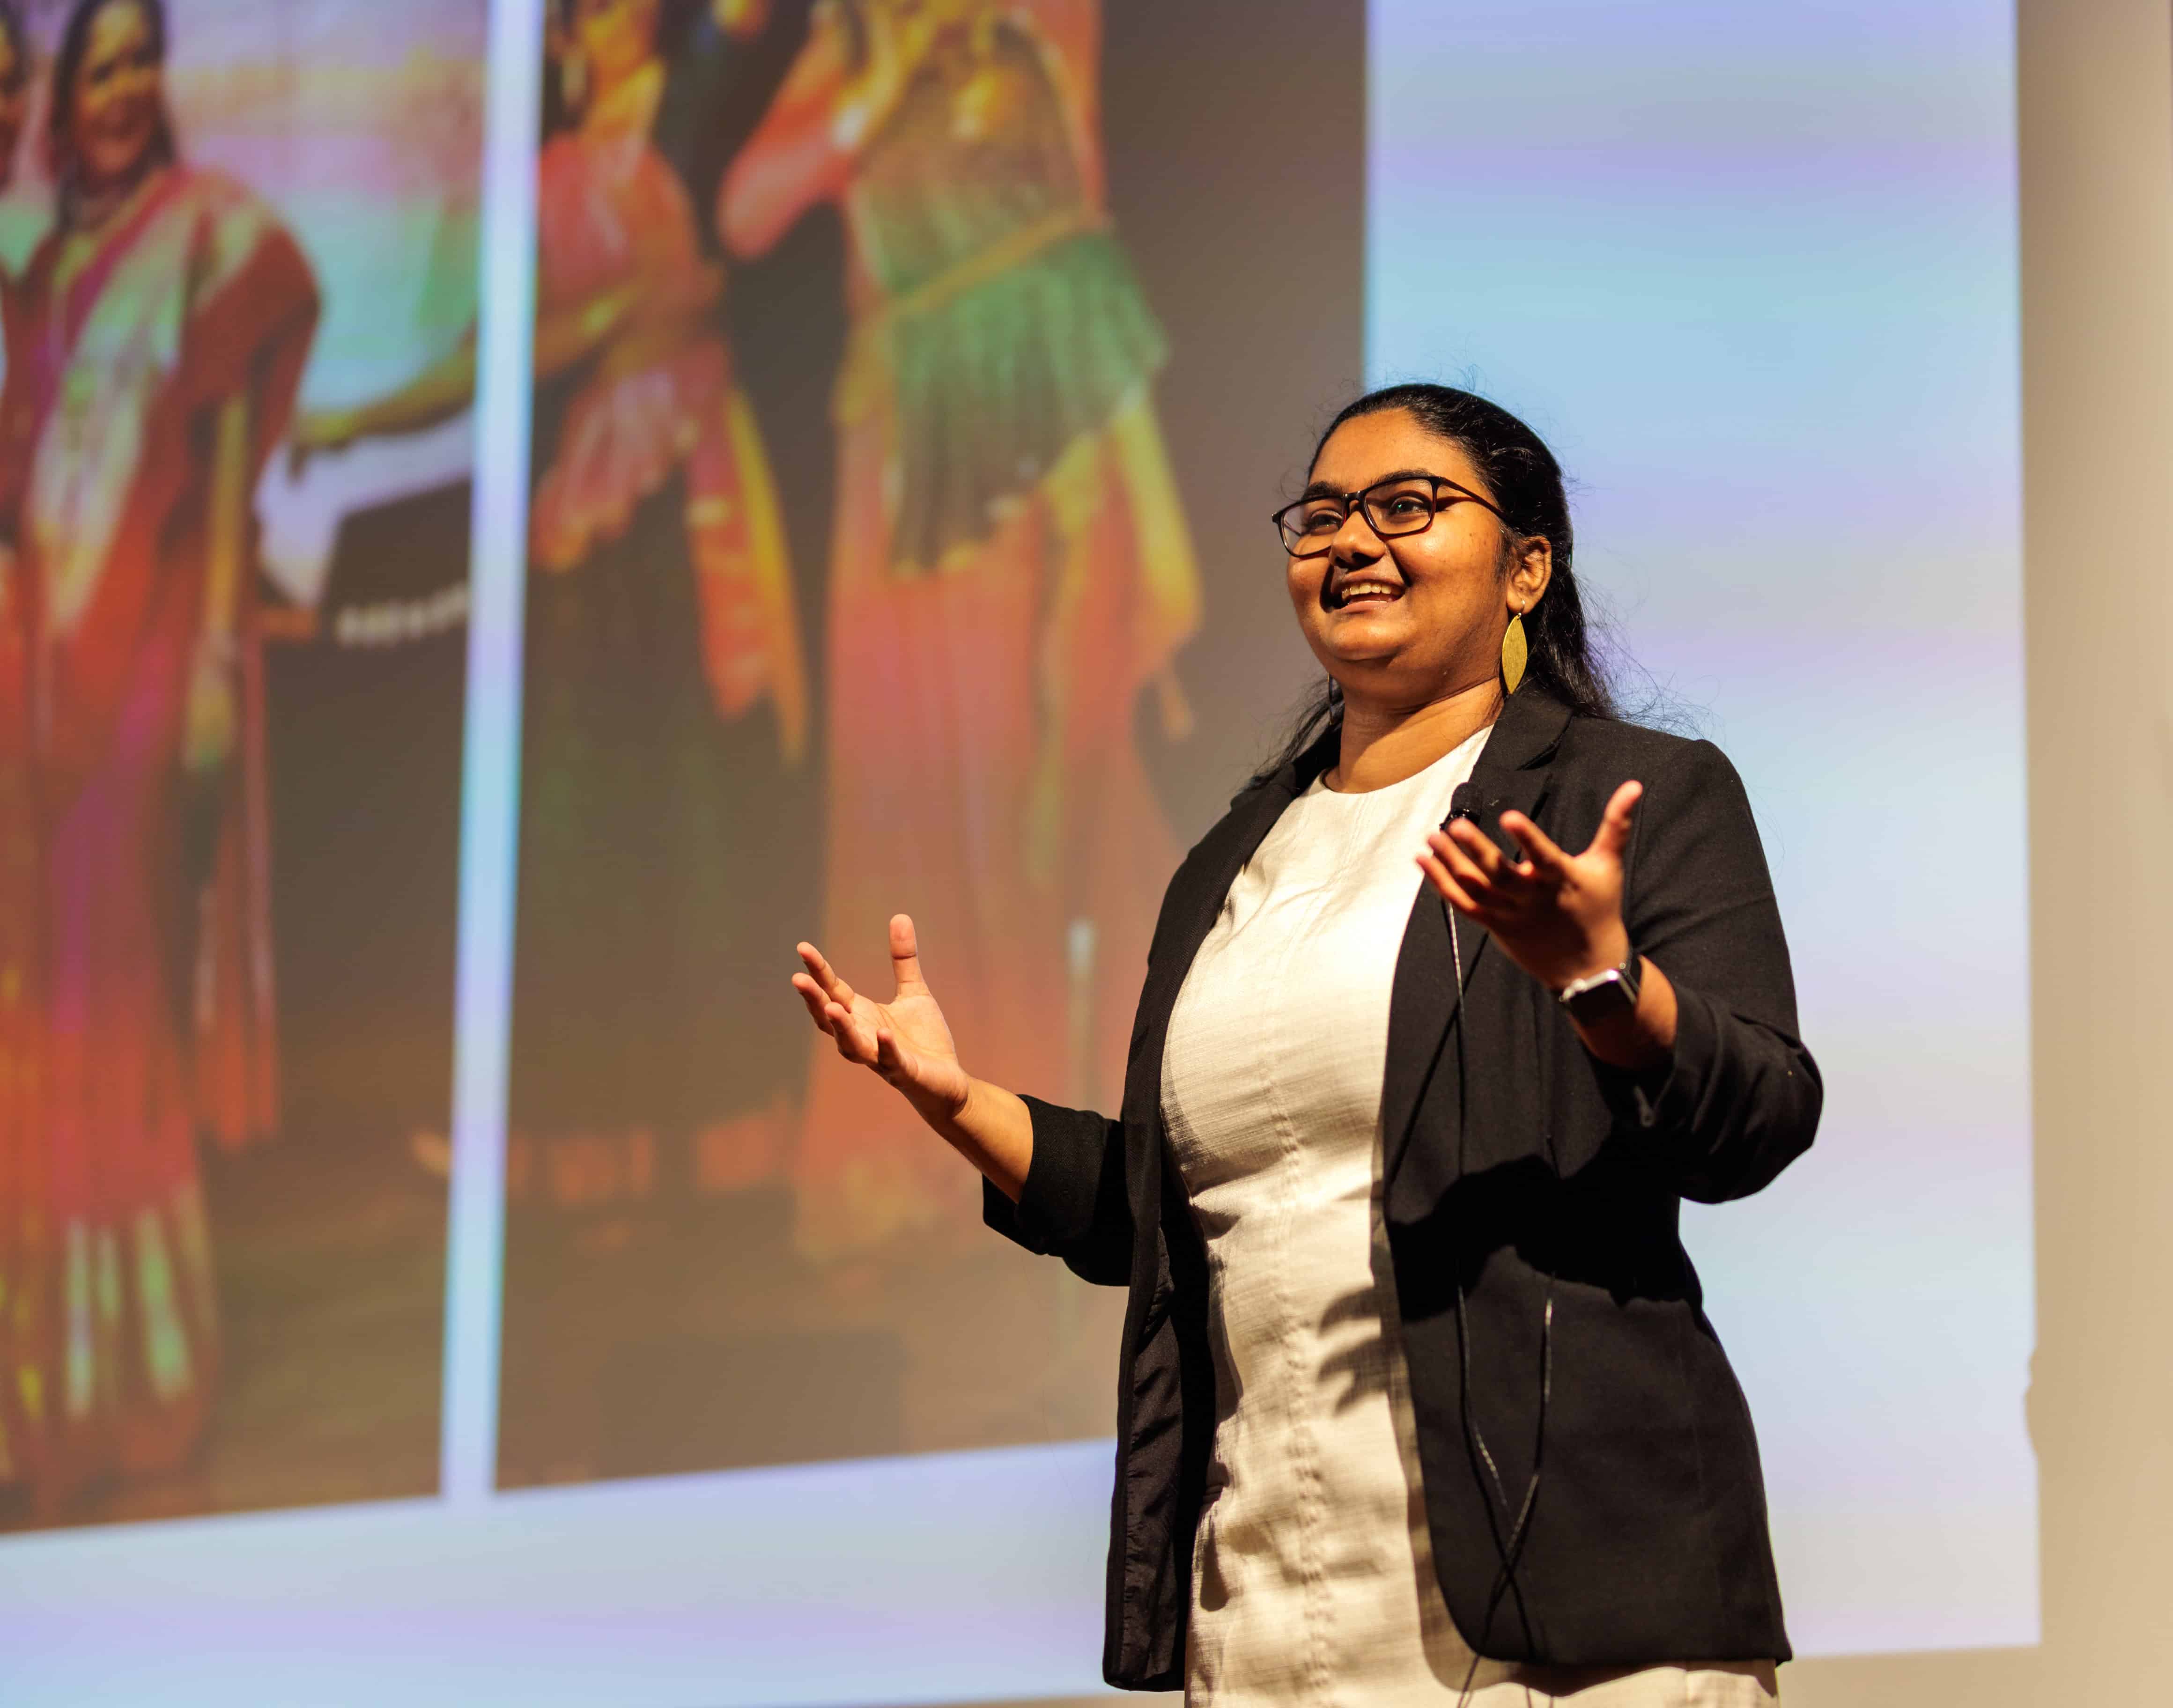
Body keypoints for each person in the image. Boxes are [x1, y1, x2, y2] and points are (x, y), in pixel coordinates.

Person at [791, 384, 1822, 1703]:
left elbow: (1760, 1122)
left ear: (1526, 569)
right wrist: (960, 1104)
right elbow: (1170, 1223)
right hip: (1270, 1609)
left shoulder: (1634, 796)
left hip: (1576, 1617)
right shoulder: (1235, 856)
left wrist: (1602, 979)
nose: (1353, 542)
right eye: (1322, 515)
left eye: (1409, 507)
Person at [296, 0, 811, 1214]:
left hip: (688, 496)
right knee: (585, 836)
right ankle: (591, 1143)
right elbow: (497, 355)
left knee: (700, 812)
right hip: (588, 510)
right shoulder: (544, 175)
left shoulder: (687, 113)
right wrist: (355, 418)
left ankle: (721, 1135)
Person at [722, 0, 1199, 1259]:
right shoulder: (857, 53)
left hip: (1038, 436)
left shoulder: (1044, 30)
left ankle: (1065, 1145)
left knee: (1039, 810)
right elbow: (746, 211)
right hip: (900, 469)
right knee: (910, 815)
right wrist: (874, 93)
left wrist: (1135, 492)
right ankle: (919, 1147)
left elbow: (1081, 226)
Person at [0, 0, 318, 1516]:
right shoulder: (48, 274)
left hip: (133, 695)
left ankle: (139, 1385)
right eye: (96, 68)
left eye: (140, 63)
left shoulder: (208, 237)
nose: (119, 90)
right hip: (32, 700)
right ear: (62, 105)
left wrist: (203, 655)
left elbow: (255, 375)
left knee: (112, 1016)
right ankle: (46, 1390)